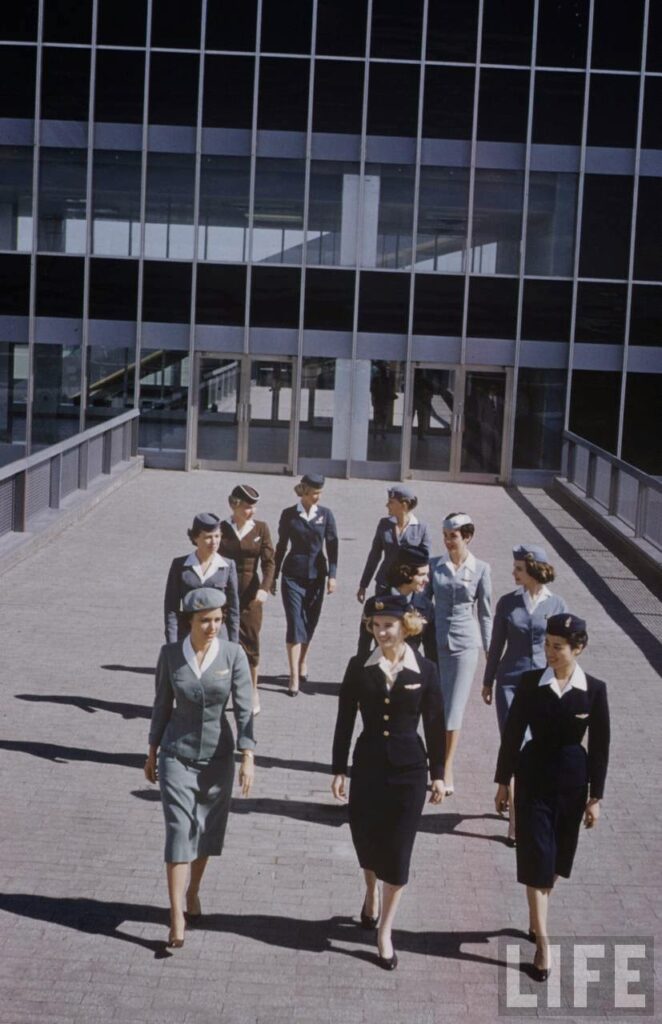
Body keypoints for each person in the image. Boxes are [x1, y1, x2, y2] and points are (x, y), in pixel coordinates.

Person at [332, 594, 445, 970]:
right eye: (376, 626)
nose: (381, 632)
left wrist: (440, 775)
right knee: (366, 837)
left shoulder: (425, 669)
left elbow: (434, 723)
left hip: (409, 772)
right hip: (367, 767)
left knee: (397, 852)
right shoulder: (357, 666)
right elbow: (345, 718)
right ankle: (369, 891)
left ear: (405, 626)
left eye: (389, 625)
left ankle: (385, 931)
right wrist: (338, 768)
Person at [494, 613, 609, 981]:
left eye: (558, 647)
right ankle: (544, 946)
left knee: (554, 864)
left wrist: (596, 797)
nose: (550, 653)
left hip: (572, 786)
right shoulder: (531, 683)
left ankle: (534, 919)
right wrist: (502, 782)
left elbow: (601, 747)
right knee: (537, 861)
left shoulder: (594, 690)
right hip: (532, 782)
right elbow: (512, 735)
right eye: (546, 645)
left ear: (579, 648)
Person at [145, 588, 256, 949]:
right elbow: (161, 704)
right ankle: (176, 915)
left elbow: (243, 709)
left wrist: (248, 755)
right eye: (205, 620)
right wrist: (151, 752)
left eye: (218, 620)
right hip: (176, 754)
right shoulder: (170, 655)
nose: (213, 627)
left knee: (206, 829)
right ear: (189, 621)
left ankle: (193, 891)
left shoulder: (233, 654)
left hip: (218, 758)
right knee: (179, 829)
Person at [482, 544, 568, 844]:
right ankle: (516, 824)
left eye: (519, 568)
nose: (514, 573)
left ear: (533, 570)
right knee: (516, 747)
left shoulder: (557, 605)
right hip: (509, 683)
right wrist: (488, 680)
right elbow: (496, 646)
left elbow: (565, 650)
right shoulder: (507, 603)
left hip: (543, 685)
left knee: (538, 749)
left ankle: (527, 803)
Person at [428, 512, 492, 795]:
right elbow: (421, 602)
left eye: (453, 536)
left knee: (454, 708)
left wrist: (491, 653)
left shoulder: (481, 569)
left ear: (467, 536)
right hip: (435, 643)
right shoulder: (434, 566)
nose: (447, 540)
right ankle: (435, 762)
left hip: (466, 645)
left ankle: (447, 766)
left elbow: (486, 613)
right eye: (444, 535)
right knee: (436, 706)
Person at [272, 474, 338, 695]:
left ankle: (303, 661)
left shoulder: (326, 515)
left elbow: (332, 545)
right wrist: (273, 576)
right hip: (292, 575)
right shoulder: (289, 515)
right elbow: (281, 546)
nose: (317, 497)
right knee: (294, 623)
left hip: (317, 576)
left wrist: (333, 576)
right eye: (313, 493)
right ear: (304, 491)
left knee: (310, 622)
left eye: (320, 493)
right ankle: (293, 677)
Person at [219, 485, 275, 715]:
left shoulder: (261, 528)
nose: (252, 511)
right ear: (235, 505)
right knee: (222, 643)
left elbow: (270, 562)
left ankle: (252, 690)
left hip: (251, 596)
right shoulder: (222, 529)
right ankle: (222, 693)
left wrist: (265, 588)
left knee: (251, 643)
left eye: (254, 507)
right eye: (247, 506)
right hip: (225, 595)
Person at [163, 513, 240, 644]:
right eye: (208, 537)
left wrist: (234, 645)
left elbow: (233, 609)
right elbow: (171, 609)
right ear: (195, 538)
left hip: (217, 638)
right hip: (187, 637)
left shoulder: (228, 566)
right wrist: (172, 644)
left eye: (217, 536)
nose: (214, 542)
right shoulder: (180, 566)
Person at [356, 546, 436, 662]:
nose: (427, 580)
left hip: (412, 670)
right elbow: (364, 645)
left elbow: (431, 649)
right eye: (421, 575)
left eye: (427, 574)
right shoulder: (375, 604)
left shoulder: (426, 607)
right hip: (381, 666)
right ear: (406, 573)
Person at [357, 486, 432, 603]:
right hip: (384, 583)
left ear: (404, 505)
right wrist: (363, 585)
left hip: (407, 586)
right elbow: (374, 556)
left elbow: (425, 562)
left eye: (391, 502)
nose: (387, 505)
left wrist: (424, 592)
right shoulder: (384, 524)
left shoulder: (421, 528)